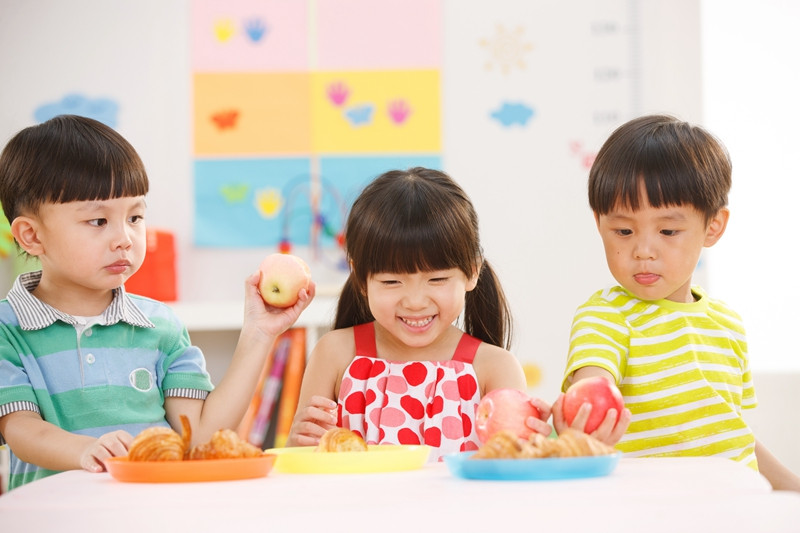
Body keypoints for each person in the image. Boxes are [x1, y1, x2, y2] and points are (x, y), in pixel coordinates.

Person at [0, 115, 315, 490]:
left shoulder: (160, 326)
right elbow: (21, 430)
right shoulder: (7, 330)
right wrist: (87, 450)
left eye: (135, 217)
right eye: (98, 221)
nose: (125, 238)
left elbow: (200, 437)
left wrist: (259, 334)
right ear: (31, 236)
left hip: (152, 512)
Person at [551, 114, 800, 491]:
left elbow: (731, 434)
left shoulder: (727, 323)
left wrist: (790, 486)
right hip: (654, 507)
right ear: (600, 224)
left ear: (713, 227)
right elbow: (591, 390)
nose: (643, 251)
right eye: (623, 230)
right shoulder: (607, 315)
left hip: (735, 504)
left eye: (668, 231)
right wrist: (581, 422)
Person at [287, 167, 550, 459]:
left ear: (472, 272)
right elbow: (303, 465)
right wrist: (299, 442)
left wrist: (533, 451)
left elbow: (510, 473)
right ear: (360, 278)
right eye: (391, 282)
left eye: (436, 279)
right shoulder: (335, 354)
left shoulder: (494, 368)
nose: (414, 302)